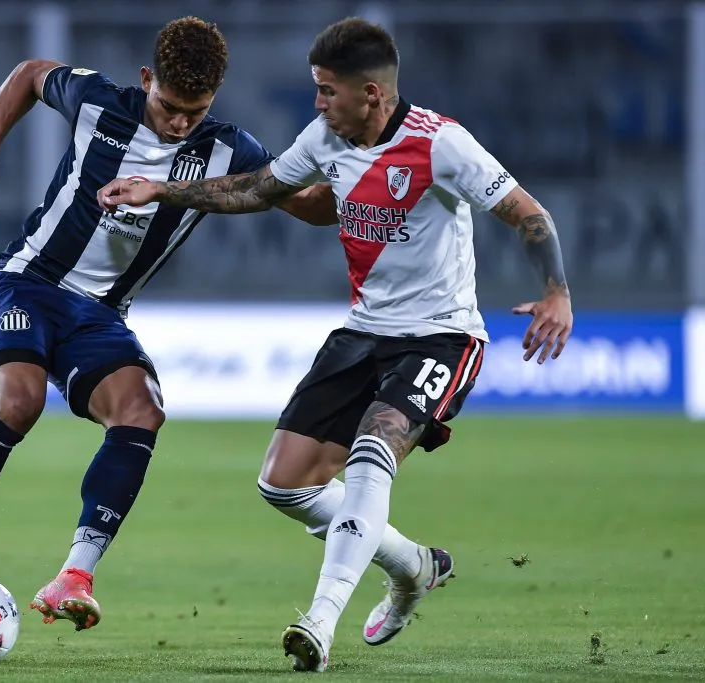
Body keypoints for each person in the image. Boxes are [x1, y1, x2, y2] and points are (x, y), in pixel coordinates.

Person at [98, 17, 573, 673]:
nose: (317, 103)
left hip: (442, 337)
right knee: (282, 482)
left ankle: (319, 621)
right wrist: (163, 190)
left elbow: (529, 213)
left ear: (372, 94)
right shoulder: (325, 136)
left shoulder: (443, 145)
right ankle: (412, 565)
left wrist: (557, 292)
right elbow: (261, 188)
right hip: (363, 332)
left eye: (327, 90)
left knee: (377, 445)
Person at [0, 16, 337, 656]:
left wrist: (340, 174)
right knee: (17, 400)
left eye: (196, 110)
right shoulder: (99, 102)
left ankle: (74, 574)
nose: (181, 122)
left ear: (214, 99)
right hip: (28, 282)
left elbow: (311, 205)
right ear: (145, 80)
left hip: (101, 315)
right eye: (169, 105)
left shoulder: (228, 151)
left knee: (142, 410)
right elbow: (28, 74)